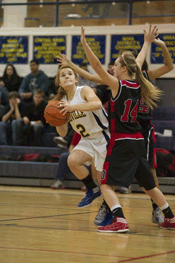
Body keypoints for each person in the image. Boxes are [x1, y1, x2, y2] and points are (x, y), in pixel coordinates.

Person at [57, 34, 174, 227]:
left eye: (116, 64)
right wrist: (146, 42)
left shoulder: (117, 85)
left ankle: (119, 220)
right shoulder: (137, 83)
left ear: (123, 69)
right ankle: (170, 217)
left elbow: (95, 67)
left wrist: (85, 45)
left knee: (104, 184)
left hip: (121, 141)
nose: (113, 67)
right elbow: (138, 62)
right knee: (150, 186)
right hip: (138, 140)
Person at [120, 39, 174, 226]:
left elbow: (169, 66)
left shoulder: (145, 76)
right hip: (125, 129)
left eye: (128, 57)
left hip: (143, 128)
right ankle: (110, 207)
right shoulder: (119, 80)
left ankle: (157, 209)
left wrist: (163, 47)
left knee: (150, 170)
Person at [52, 65, 110, 208]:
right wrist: (56, 119)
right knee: (72, 160)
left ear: (76, 79)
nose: (66, 76)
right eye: (63, 75)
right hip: (87, 139)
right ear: (59, 82)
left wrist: (73, 108)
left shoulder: (84, 90)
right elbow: (63, 132)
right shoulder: (61, 101)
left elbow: (97, 104)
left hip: (103, 136)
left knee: (105, 182)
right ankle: (92, 189)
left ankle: (111, 211)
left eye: (70, 73)